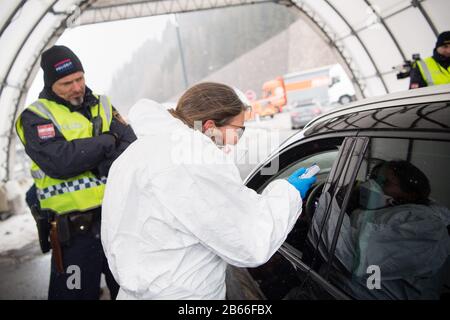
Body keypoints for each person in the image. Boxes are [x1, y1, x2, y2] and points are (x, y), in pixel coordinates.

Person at [101, 82, 317, 299]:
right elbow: (249, 240)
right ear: (209, 126)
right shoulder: (195, 158)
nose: (236, 141)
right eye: (238, 131)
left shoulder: (133, 155)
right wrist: (289, 193)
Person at [15, 45, 137, 300]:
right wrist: (106, 141)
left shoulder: (103, 104)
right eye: (66, 83)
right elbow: (61, 162)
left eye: (79, 78)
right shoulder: (36, 116)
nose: (77, 87)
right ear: (51, 85)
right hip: (74, 237)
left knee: (133, 292)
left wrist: (97, 157)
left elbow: (131, 147)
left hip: (116, 225)